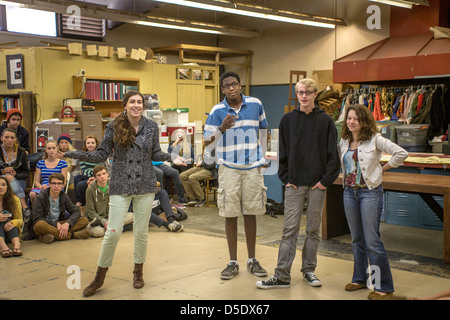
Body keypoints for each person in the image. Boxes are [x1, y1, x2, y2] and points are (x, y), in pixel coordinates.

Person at [59, 90, 186, 297]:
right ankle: (99, 277)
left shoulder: (151, 126)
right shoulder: (113, 125)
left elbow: (155, 152)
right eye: (132, 102)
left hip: (145, 184)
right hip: (120, 184)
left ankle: (138, 272)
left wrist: (172, 157)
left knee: (141, 233)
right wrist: (69, 152)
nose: (136, 105)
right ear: (125, 105)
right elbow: (101, 153)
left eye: (139, 102)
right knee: (113, 232)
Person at [256, 78, 340, 289]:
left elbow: (333, 156)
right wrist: (286, 179)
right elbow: (281, 151)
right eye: (301, 92)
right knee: (289, 230)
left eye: (308, 92)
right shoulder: (287, 120)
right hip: (294, 184)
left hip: (317, 185)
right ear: (297, 94)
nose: (304, 96)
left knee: (313, 230)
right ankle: (282, 275)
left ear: (315, 94)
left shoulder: (326, 121)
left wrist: (324, 182)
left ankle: (309, 270)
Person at [339, 104, 408, 300]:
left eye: (356, 119)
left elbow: (401, 153)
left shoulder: (375, 139)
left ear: (364, 121)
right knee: (356, 239)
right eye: (349, 118)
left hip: (370, 193)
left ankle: (383, 286)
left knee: (372, 241)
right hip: (349, 193)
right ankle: (359, 278)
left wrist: (382, 170)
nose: (351, 122)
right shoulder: (343, 141)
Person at [203, 71, 268, 280]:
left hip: (252, 166)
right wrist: (222, 128)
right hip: (229, 167)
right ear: (222, 90)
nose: (231, 88)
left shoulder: (256, 104)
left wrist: (263, 156)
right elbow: (207, 142)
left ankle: (252, 259)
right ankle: (233, 262)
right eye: (227, 86)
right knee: (230, 214)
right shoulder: (217, 111)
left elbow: (264, 129)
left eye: (234, 84)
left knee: (251, 213)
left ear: (240, 86)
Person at [32, 173, 89, 243]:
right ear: (49, 184)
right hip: (47, 224)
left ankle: (49, 236)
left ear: (63, 185)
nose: (56, 186)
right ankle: (72, 235)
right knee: (39, 224)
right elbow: (37, 219)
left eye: (59, 184)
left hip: (59, 224)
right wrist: (55, 224)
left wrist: (67, 223)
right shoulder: (41, 197)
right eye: (53, 183)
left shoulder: (63, 196)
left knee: (84, 220)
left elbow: (76, 211)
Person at [84, 165, 132, 238]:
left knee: (132, 216)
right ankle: (118, 228)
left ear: (107, 174)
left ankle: (113, 228)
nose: (102, 177)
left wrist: (111, 219)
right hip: (97, 220)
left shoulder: (113, 186)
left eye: (104, 173)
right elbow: (90, 212)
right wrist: (104, 222)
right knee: (99, 232)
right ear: (95, 177)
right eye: (99, 175)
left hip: (111, 218)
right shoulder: (90, 190)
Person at [0, 128, 31, 218]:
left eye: (12, 137)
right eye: (6, 137)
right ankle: (25, 207)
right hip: (0, 181)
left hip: (19, 181)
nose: (9, 140)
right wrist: (2, 172)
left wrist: (15, 175)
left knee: (10, 178)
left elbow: (26, 173)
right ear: (1, 138)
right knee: (7, 178)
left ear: (15, 139)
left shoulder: (21, 152)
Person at [29, 140, 68, 205]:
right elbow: (36, 182)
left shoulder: (63, 163)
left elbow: (64, 182)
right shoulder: (40, 163)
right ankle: (36, 212)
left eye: (53, 148)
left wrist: (51, 188)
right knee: (32, 194)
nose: (51, 150)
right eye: (49, 148)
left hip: (57, 187)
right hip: (43, 187)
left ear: (57, 149)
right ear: (46, 150)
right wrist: (42, 187)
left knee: (51, 194)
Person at [74, 135, 103, 207]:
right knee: (76, 178)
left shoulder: (100, 155)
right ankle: (79, 200)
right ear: (85, 144)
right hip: (87, 175)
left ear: (96, 144)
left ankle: (86, 203)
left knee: (81, 185)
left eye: (93, 143)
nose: (90, 145)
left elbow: (100, 169)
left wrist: (94, 174)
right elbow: (83, 170)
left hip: (97, 177)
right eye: (88, 143)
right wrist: (92, 172)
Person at [0, 176, 23, 257]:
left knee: (8, 220)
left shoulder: (14, 199)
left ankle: (17, 245)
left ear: (7, 187)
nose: (1, 187)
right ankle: (2, 246)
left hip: (9, 232)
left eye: (3, 185)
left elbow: (20, 221)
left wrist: (13, 223)